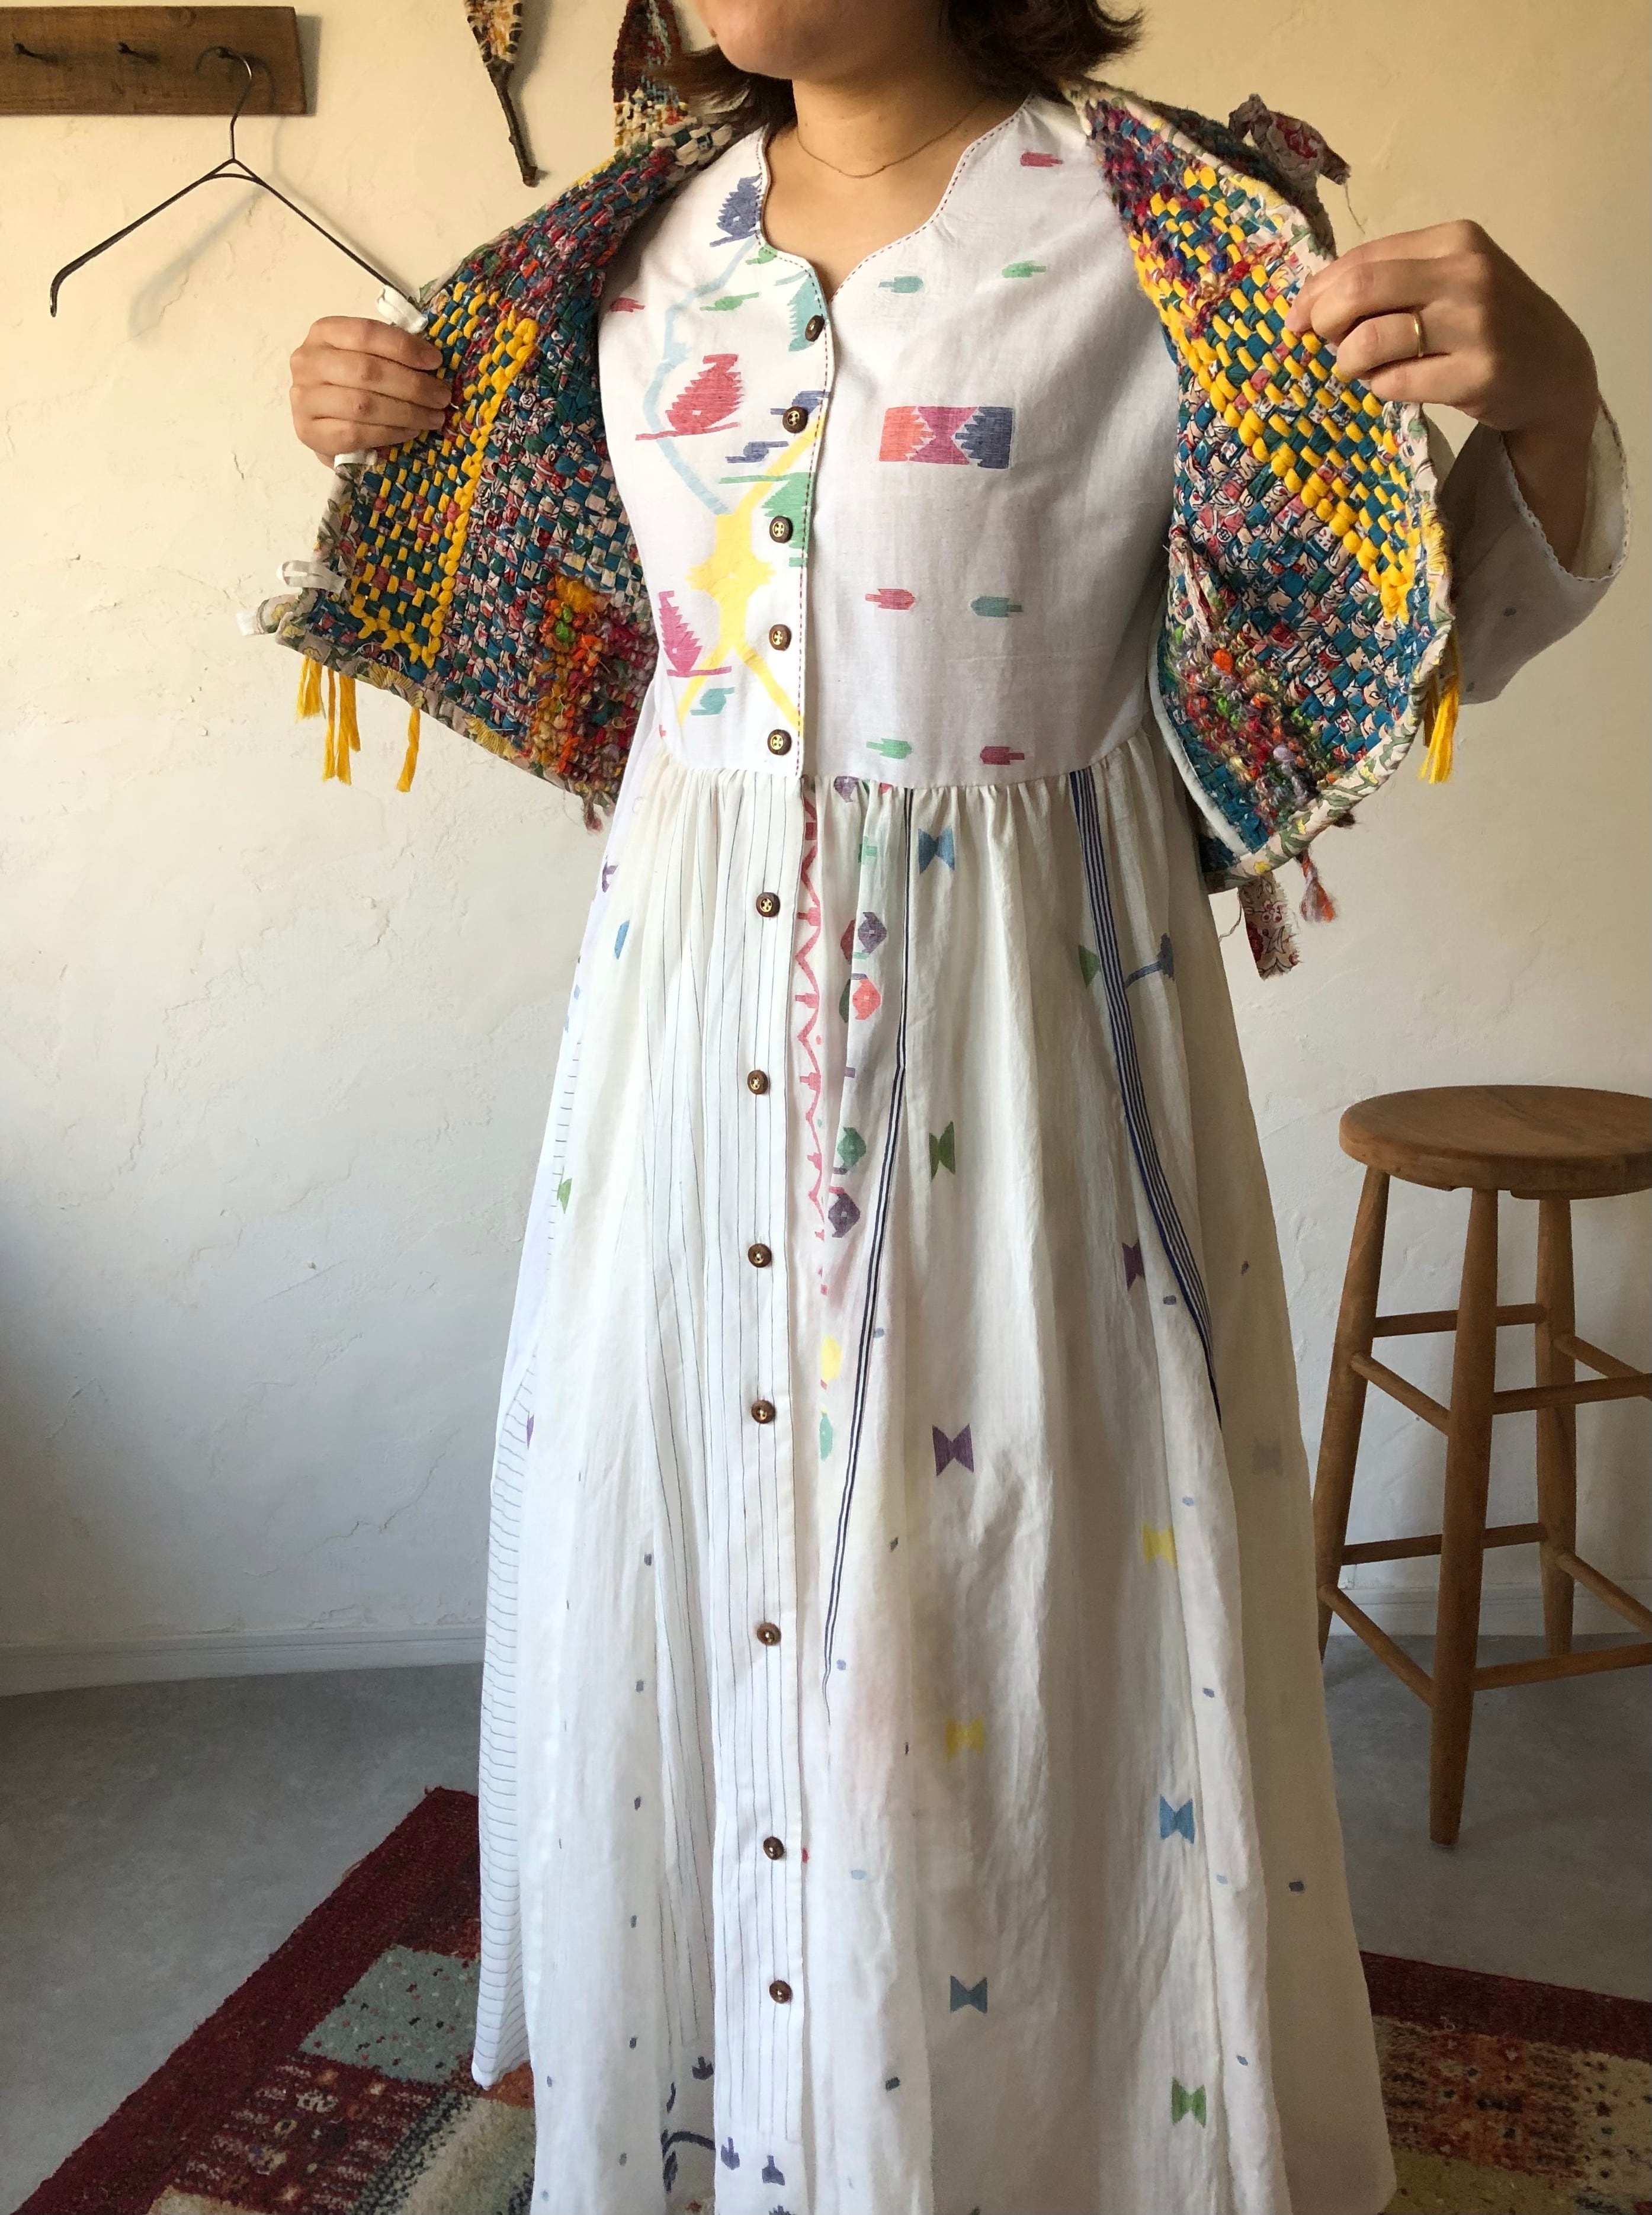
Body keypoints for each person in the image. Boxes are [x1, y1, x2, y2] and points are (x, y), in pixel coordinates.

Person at [287, 4, 1625, 2211]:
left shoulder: (1168, 232)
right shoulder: (621, 252)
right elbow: (598, 642)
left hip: (1030, 1072)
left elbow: (1424, 623)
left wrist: (1554, 395)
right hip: (680, 1056)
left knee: (1006, 1613)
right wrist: (368, 420)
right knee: (700, 1569)